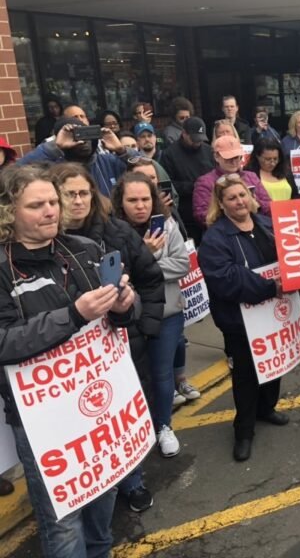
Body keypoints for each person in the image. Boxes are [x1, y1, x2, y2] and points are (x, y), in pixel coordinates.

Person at [0, 163, 135, 557]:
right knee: (63, 524)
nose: (50, 211)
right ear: (10, 211)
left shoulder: (84, 250)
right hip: (41, 417)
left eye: (52, 202)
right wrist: (74, 314)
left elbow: (121, 320)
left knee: (104, 492)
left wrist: (125, 305)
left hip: (98, 404)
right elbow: (4, 341)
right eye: (36, 205)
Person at [53, 162, 165, 513]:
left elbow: (150, 278)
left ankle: (133, 483)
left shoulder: (118, 232)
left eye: (83, 193)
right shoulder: (44, 245)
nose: (77, 201)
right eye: (68, 194)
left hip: (122, 346)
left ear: (94, 195)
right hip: (72, 360)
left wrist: (145, 325)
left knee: (120, 420)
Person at [198, 175, 290, 462]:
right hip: (239, 321)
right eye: (232, 198)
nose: (239, 201)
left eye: (243, 195)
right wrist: (270, 287)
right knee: (246, 375)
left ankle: (267, 408)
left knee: (275, 363)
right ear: (221, 205)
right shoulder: (215, 238)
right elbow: (226, 278)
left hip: (274, 314)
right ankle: (244, 431)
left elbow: (290, 255)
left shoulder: (266, 225)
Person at [111, 172, 189, 457]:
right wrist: (145, 253)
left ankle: (163, 426)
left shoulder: (167, 225)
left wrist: (147, 261)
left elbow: (182, 264)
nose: (140, 206)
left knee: (161, 374)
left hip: (167, 314)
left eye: (145, 199)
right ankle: (138, 430)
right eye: (132, 200)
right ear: (121, 201)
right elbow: (112, 275)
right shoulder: (110, 232)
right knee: (133, 378)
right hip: (126, 319)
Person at [18, 116, 136, 198]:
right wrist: (55, 147)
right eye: (78, 136)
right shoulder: (52, 167)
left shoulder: (107, 162)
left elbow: (149, 168)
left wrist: (122, 150)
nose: (84, 142)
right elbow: (14, 173)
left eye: (87, 135)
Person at [193, 135, 272, 228]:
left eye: (237, 157)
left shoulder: (251, 176)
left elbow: (269, 206)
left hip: (256, 228)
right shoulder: (205, 182)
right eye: (228, 158)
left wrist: (254, 201)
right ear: (216, 157)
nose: (234, 161)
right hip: (224, 234)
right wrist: (228, 210)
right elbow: (201, 215)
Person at [160, 116, 216, 244]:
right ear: (184, 134)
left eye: (201, 139)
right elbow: (168, 185)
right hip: (187, 213)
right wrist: (195, 186)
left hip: (210, 210)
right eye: (194, 139)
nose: (198, 142)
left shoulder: (208, 151)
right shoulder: (170, 154)